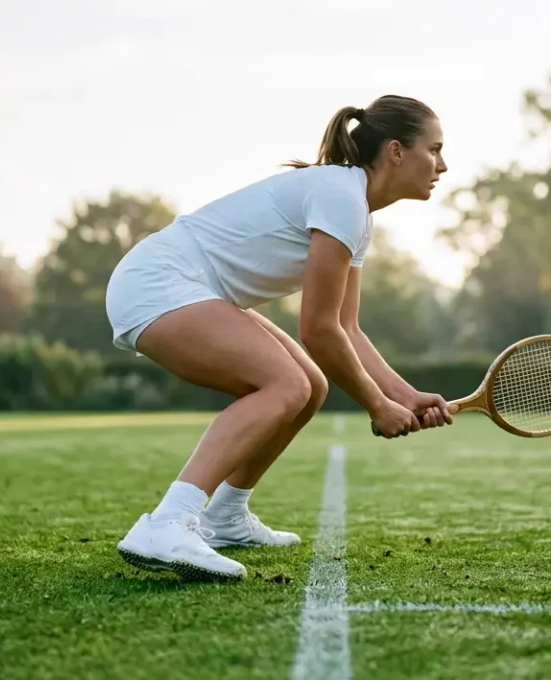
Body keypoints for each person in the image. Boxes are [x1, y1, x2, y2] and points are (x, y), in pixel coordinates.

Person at [105, 94, 454, 582]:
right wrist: (377, 406)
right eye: (434, 150)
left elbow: (347, 328)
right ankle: (167, 523)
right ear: (396, 151)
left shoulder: (356, 211)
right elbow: (317, 329)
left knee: (309, 387)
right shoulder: (342, 196)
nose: (443, 165)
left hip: (192, 287)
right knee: (286, 384)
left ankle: (224, 517)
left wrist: (405, 395)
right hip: (158, 282)